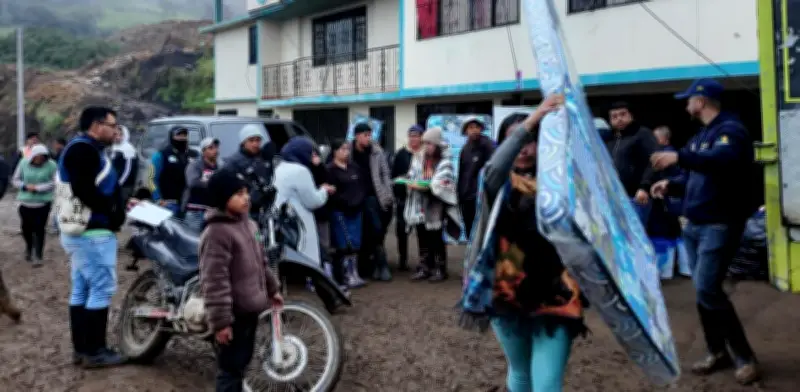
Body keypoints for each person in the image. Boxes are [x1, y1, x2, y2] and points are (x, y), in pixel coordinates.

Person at [459, 96, 587, 392]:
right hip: (506, 290)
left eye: (533, 139)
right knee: (520, 375)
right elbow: (494, 168)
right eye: (518, 139)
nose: (526, 148)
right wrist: (533, 120)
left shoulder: (564, 183)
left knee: (546, 384)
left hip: (558, 291)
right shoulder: (495, 183)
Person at [651, 78, 759, 384]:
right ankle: (717, 352)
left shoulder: (730, 131)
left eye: (689, 99)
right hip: (696, 223)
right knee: (703, 292)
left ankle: (744, 357)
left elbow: (721, 162)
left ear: (702, 101)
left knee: (708, 289)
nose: (686, 104)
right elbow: (694, 175)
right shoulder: (700, 136)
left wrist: (678, 157)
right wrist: (670, 184)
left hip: (719, 223)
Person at [200, 168, 283, 392]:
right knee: (230, 368)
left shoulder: (250, 225)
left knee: (242, 362)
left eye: (246, 192)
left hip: (250, 311)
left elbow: (261, 262)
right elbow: (214, 281)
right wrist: (221, 322)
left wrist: (272, 289)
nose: (246, 197)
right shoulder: (217, 233)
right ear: (221, 198)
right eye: (238, 194)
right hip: (233, 314)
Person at [59, 106, 127, 368]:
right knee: (100, 287)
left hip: (85, 233)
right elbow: (84, 189)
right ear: (96, 126)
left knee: (82, 288)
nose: (116, 130)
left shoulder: (85, 149)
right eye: (113, 125)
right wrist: (111, 209)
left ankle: (82, 349)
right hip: (92, 233)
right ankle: (95, 351)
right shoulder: (83, 150)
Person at [404, 127, 460, 282]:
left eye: (430, 143)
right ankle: (425, 267)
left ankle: (440, 269)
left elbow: (444, 182)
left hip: (436, 204)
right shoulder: (420, 157)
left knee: (435, 236)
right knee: (422, 235)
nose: (427, 146)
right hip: (420, 202)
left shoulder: (445, 161)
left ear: (436, 144)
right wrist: (408, 179)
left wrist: (426, 185)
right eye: (425, 143)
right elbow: (413, 173)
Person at [273, 137, 335, 266]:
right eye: (310, 152)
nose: (313, 155)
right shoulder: (300, 171)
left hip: (283, 220)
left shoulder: (280, 167)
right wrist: (324, 190)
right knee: (307, 259)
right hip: (300, 222)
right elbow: (313, 201)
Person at [351, 123, 394, 281]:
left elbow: (385, 174)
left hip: (374, 197)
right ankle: (369, 266)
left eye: (370, 135)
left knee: (377, 229)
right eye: (365, 135)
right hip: (354, 198)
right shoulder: (349, 152)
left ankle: (381, 264)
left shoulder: (377, 152)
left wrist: (387, 195)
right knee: (363, 233)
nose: (368, 138)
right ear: (357, 136)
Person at [605, 101, 659, 224]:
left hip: (636, 197)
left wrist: (644, 187)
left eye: (623, 114)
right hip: (615, 197)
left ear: (631, 115)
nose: (619, 119)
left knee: (636, 234)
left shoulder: (642, 134)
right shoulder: (611, 140)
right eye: (614, 116)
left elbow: (653, 161)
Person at [326, 139, 368, 288]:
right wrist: (343, 202)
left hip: (356, 210)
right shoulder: (330, 169)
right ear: (335, 151)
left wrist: (359, 200)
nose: (346, 152)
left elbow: (362, 186)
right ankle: (344, 276)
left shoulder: (354, 167)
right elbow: (331, 192)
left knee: (356, 243)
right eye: (342, 149)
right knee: (344, 244)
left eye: (347, 149)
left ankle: (354, 273)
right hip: (340, 212)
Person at [12, 144, 57, 267]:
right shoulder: (23, 163)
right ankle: (29, 247)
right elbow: (15, 180)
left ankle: (38, 255)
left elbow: (55, 182)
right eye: (37, 157)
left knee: (39, 228)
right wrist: (25, 186)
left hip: (43, 202)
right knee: (26, 228)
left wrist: (38, 188)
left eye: (42, 157)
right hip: (25, 201)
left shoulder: (52, 165)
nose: (40, 160)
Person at [390, 125, 424, 271]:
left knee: (422, 231)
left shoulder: (425, 154)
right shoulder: (401, 154)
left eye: (416, 135)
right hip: (403, 198)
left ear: (421, 137)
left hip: (421, 198)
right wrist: (400, 183)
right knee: (401, 230)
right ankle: (402, 260)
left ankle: (423, 261)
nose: (414, 138)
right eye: (411, 136)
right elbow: (394, 176)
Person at [224, 124, 275, 219]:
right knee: (251, 233)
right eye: (251, 140)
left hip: (263, 211)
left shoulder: (264, 158)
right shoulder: (233, 162)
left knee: (259, 234)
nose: (255, 144)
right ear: (244, 142)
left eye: (258, 140)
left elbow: (269, 179)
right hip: (242, 213)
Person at [457, 116, 495, 236]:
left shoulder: (488, 145)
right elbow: (462, 174)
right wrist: (459, 195)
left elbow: (493, 170)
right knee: (469, 231)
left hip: (481, 198)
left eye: (477, 127)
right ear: (465, 131)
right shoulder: (465, 149)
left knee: (482, 232)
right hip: (466, 198)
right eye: (471, 127)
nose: (474, 130)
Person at [148, 126, 198, 215]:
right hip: (169, 204)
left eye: (184, 135)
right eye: (178, 135)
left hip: (190, 205)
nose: (182, 138)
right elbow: (151, 179)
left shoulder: (194, 155)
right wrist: (158, 199)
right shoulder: (161, 155)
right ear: (172, 137)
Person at [183, 137, 221, 231]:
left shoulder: (220, 166)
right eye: (211, 148)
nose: (215, 150)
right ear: (203, 151)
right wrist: (213, 183)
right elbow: (193, 182)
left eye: (216, 147)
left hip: (213, 212)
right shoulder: (195, 165)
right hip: (196, 211)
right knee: (193, 240)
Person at [111, 126, 138, 204]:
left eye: (121, 135)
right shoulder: (114, 147)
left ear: (125, 135)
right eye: (115, 134)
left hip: (125, 186)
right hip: (115, 184)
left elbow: (127, 170)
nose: (118, 137)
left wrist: (119, 183)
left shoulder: (128, 148)